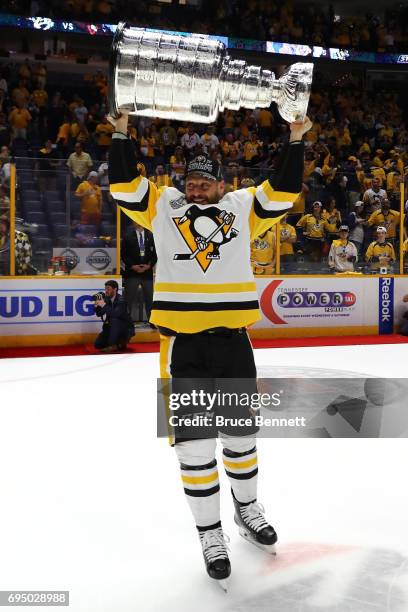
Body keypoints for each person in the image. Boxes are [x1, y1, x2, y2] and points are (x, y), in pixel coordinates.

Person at [108, 109, 311, 586]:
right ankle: (210, 534)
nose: (196, 188)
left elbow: (283, 190)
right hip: (182, 347)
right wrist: (120, 134)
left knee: (241, 440)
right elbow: (122, 186)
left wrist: (296, 137)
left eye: (205, 182)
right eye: (191, 182)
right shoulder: (163, 206)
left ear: (220, 185)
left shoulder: (242, 209)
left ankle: (247, 510)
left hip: (234, 343)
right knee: (195, 448)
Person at [122, 222, 157, 325]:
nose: (138, 223)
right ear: (133, 222)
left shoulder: (151, 236)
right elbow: (124, 254)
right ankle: (126, 322)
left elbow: (155, 253)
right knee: (129, 299)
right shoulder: (127, 237)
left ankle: (152, 322)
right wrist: (133, 266)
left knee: (150, 299)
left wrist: (149, 266)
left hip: (147, 274)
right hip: (132, 273)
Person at [94, 280, 134, 351]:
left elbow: (116, 314)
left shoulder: (121, 300)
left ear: (115, 289)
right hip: (111, 327)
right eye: (105, 289)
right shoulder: (106, 299)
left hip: (125, 328)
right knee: (97, 344)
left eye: (108, 289)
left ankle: (114, 344)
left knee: (114, 319)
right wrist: (97, 306)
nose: (106, 291)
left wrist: (103, 305)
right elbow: (99, 314)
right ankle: (119, 344)